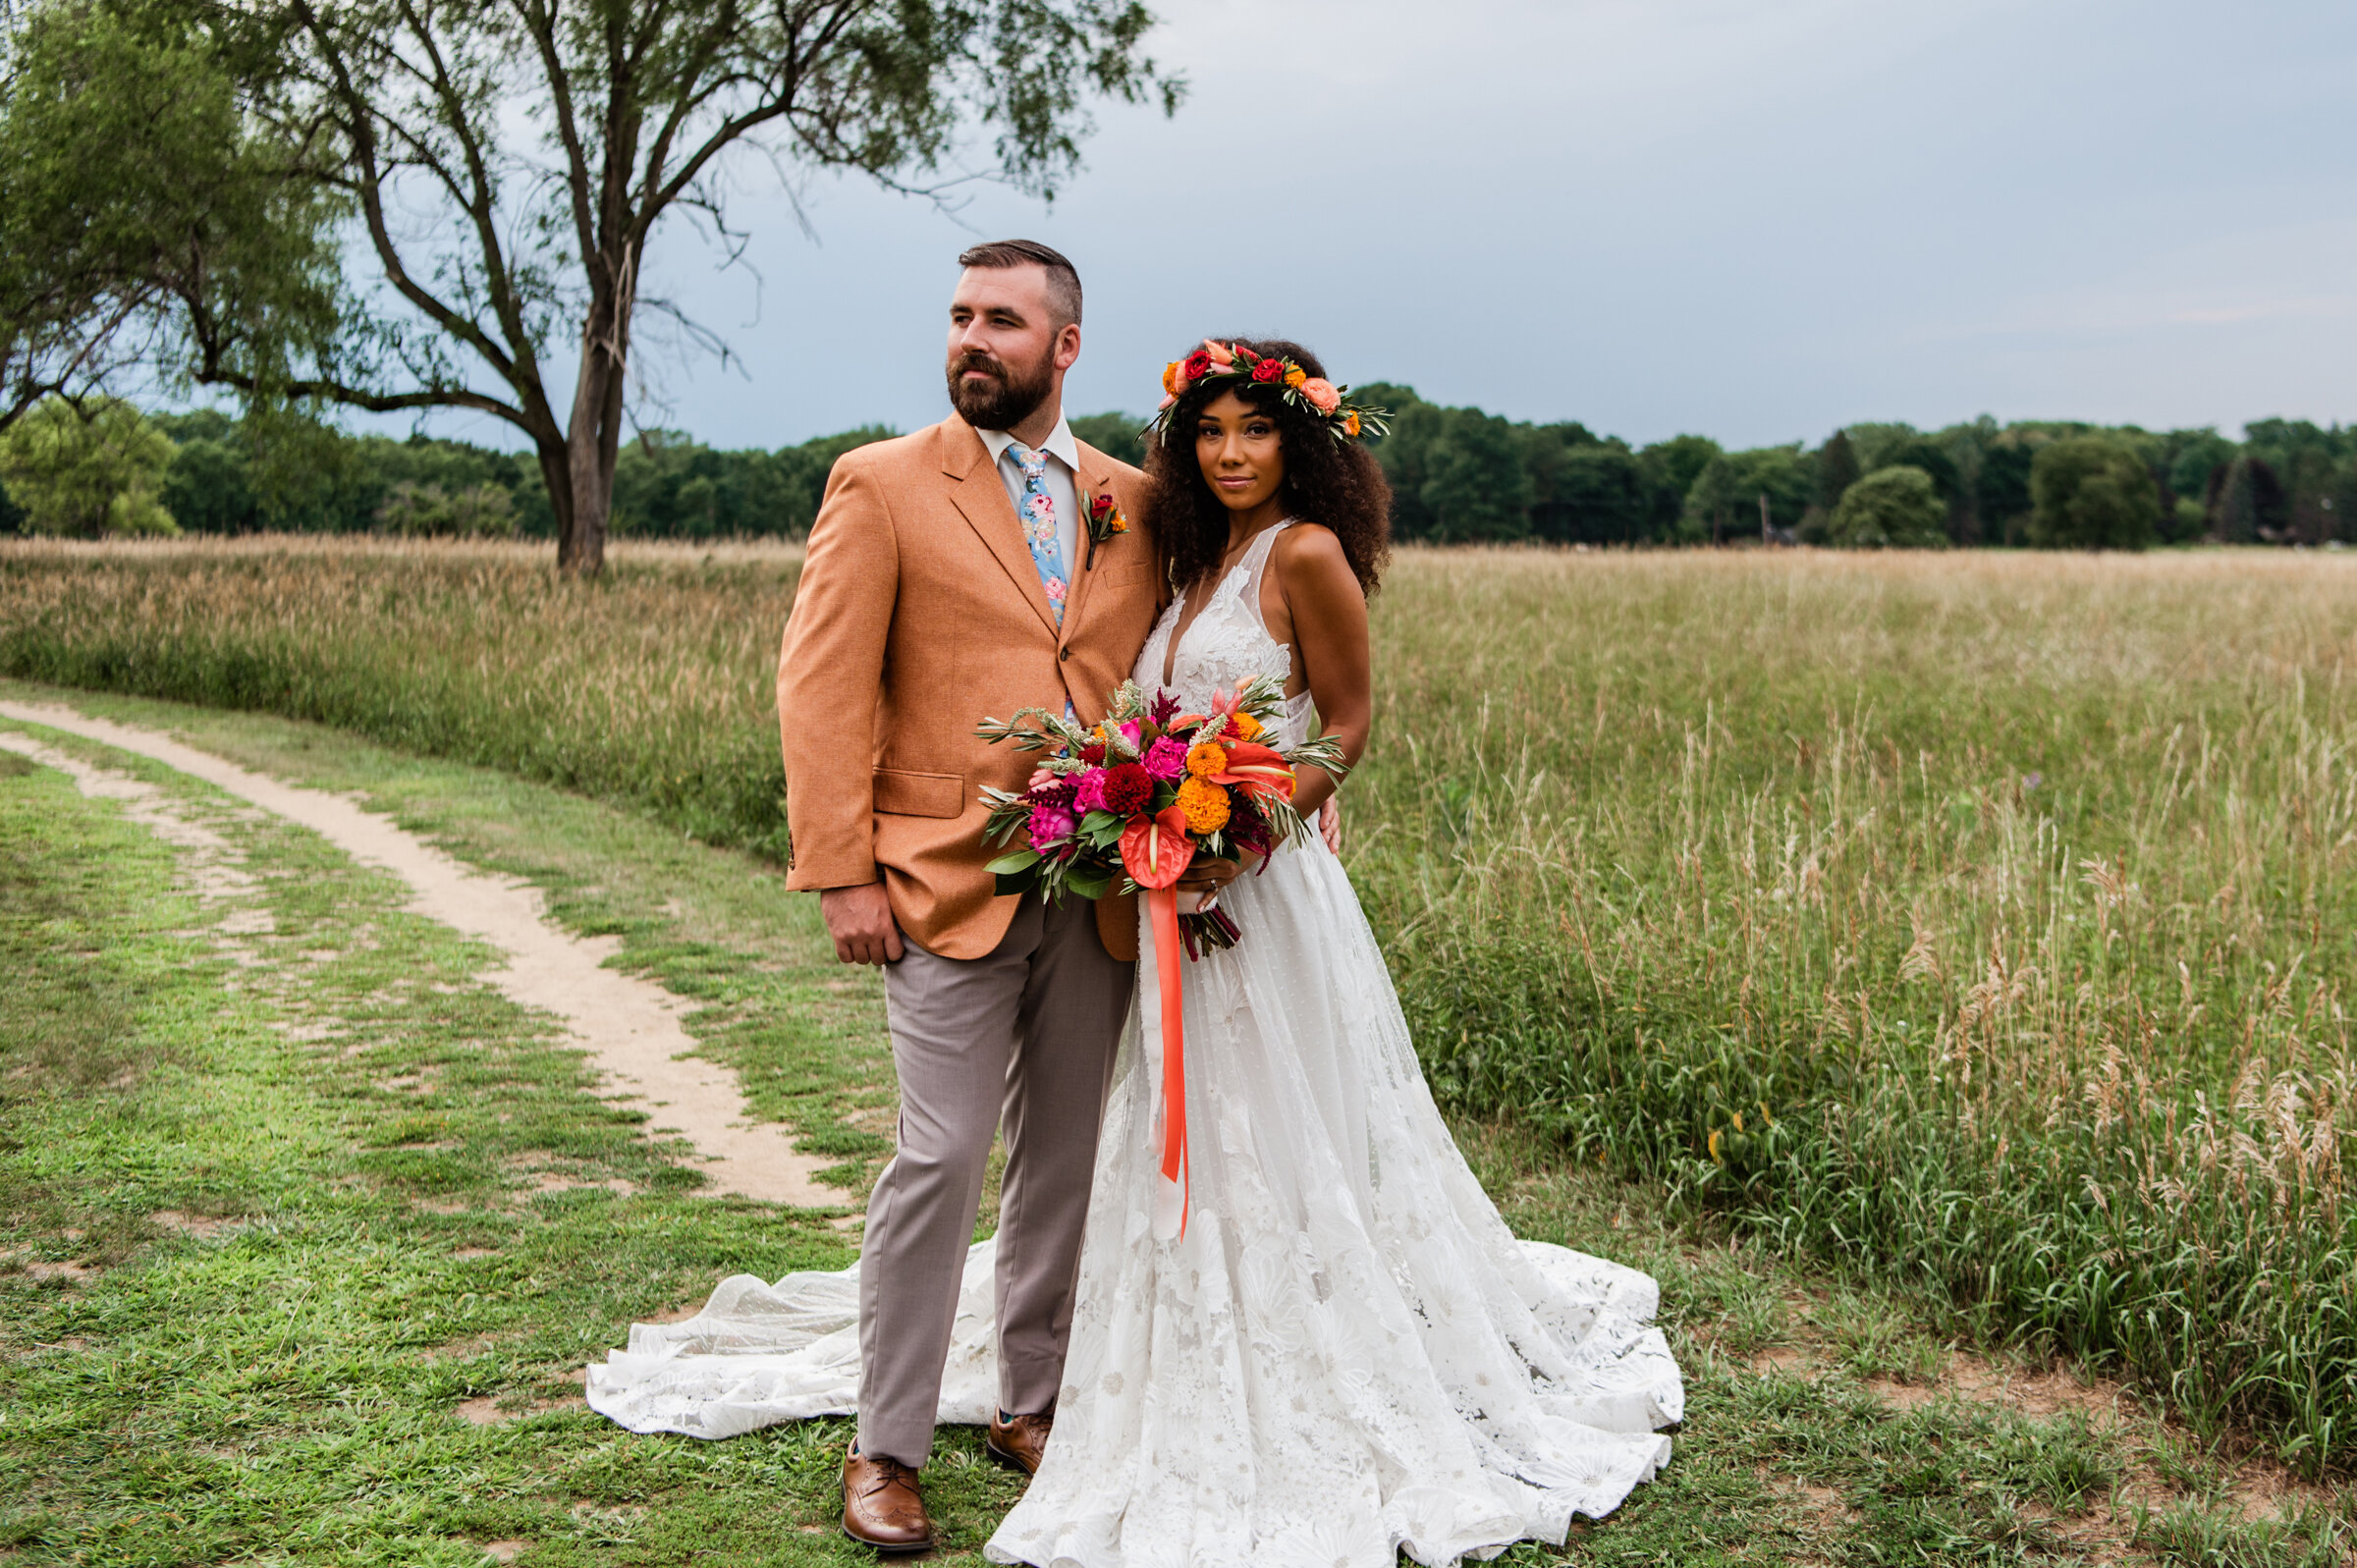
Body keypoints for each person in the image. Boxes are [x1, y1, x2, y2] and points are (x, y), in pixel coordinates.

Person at [980, 340, 1683, 1567]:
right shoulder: (1189, 563)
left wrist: (1245, 830)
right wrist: (1137, 812)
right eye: (1212, 433)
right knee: (1175, 1113)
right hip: (1162, 886)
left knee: (1283, 1117)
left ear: (1301, 442)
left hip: (1263, 891)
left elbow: (1347, 725)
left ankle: (1311, 1329)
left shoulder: (1306, 555)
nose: (1234, 452)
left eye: (1258, 430)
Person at [588, 239, 1166, 1551]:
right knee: (940, 1155)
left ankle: (1037, 1398)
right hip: (934, 879)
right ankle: (884, 1444)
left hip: (1098, 890)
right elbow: (824, 686)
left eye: (1003, 321)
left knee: (1065, 1158)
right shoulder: (883, 484)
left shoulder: (1135, 500)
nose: (972, 338)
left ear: (1063, 348)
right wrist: (841, 867)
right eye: (960, 315)